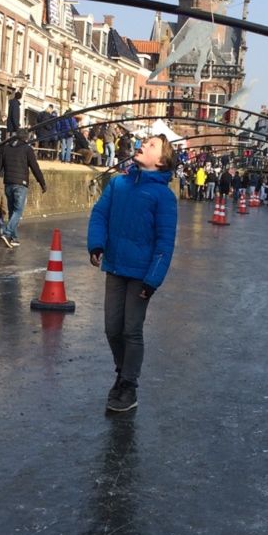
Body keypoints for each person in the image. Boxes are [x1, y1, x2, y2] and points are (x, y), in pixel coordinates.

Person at [87, 134, 178, 413]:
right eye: (144, 142)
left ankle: (129, 385)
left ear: (161, 161)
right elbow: (100, 214)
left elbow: (165, 242)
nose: (142, 145)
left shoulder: (164, 197)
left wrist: (153, 280)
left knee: (131, 330)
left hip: (141, 274)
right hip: (115, 266)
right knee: (112, 328)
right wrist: (97, 244)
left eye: (151, 145)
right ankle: (122, 370)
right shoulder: (119, 184)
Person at [0, 128, 46, 248]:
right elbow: (35, 167)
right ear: (26, 138)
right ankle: (7, 233)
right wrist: (42, 183)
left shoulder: (6, 148)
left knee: (12, 211)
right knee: (18, 211)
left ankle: (13, 238)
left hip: (8, 183)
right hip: (21, 184)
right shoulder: (27, 149)